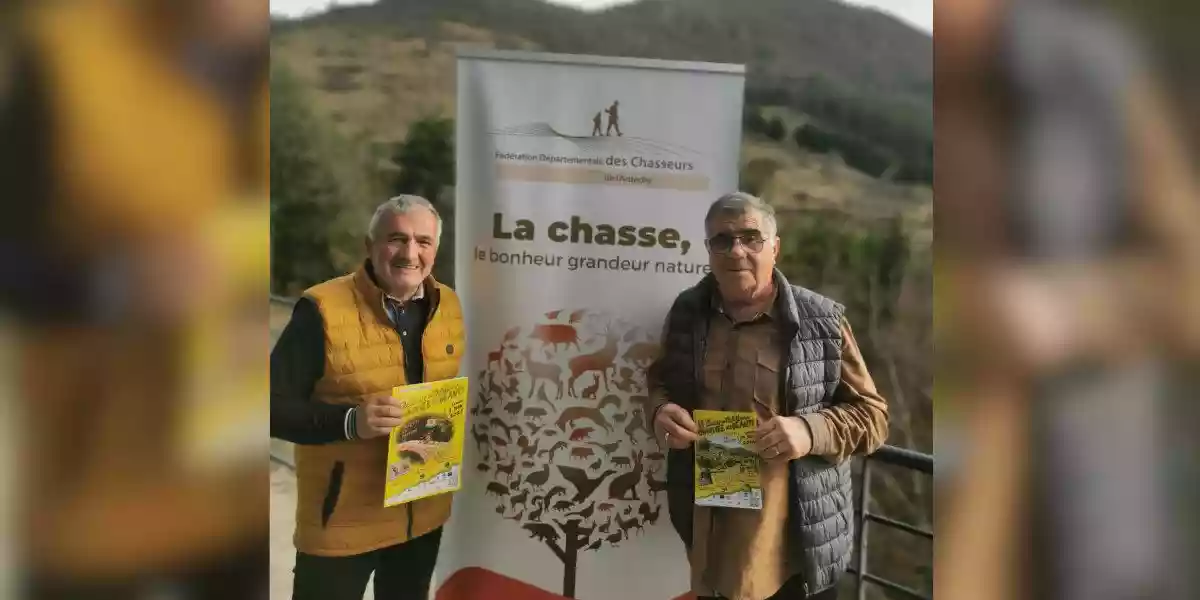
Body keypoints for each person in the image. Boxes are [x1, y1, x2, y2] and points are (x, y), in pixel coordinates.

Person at [648, 192, 889, 600]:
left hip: (793, 551)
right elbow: (662, 381)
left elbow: (874, 417)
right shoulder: (688, 311)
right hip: (711, 538)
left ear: (775, 247)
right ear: (708, 251)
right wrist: (660, 411)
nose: (736, 250)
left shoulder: (822, 321)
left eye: (751, 237)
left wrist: (810, 431)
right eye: (721, 240)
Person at [271, 195, 466, 600]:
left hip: (420, 518)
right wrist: (350, 422)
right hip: (342, 522)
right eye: (396, 239)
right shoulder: (321, 310)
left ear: (436, 250)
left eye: (423, 242)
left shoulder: (451, 306)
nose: (410, 253)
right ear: (369, 246)